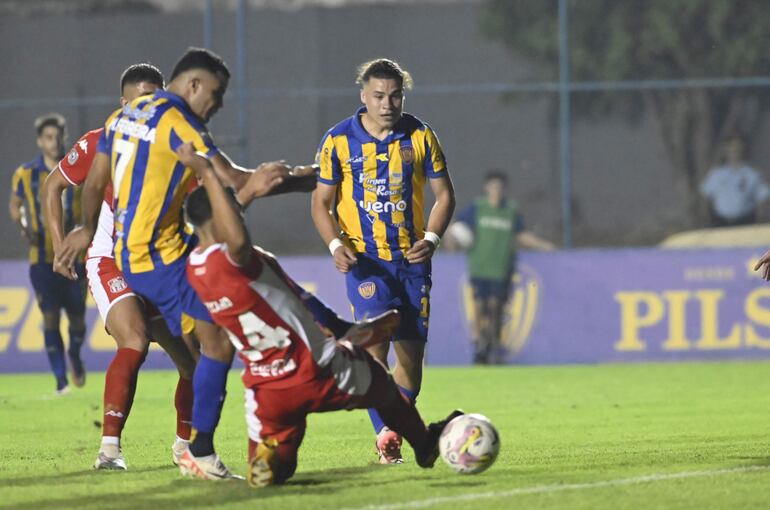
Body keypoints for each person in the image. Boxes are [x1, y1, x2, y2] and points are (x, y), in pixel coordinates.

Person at [58, 47, 321, 479]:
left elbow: (95, 179)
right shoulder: (181, 124)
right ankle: (199, 452)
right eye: (215, 95)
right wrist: (309, 180)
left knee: (201, 353)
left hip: (139, 254)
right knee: (216, 344)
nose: (217, 106)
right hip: (159, 261)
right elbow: (235, 182)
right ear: (194, 85)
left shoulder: (124, 116)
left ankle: (191, 447)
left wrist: (86, 227)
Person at [179, 142, 461, 486]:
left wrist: (355, 328)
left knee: (278, 467)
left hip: (264, 391)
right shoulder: (241, 258)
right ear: (220, 217)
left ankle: (269, 464)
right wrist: (207, 171)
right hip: (313, 369)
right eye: (230, 208)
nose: (238, 212)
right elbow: (237, 240)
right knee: (383, 384)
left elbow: (302, 302)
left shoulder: (194, 269)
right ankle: (424, 445)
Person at [41, 63, 199, 470]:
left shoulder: (177, 145)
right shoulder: (100, 143)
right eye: (139, 100)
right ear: (122, 103)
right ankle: (109, 451)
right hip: (111, 262)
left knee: (197, 360)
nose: (148, 107)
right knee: (135, 339)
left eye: (155, 99)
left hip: (161, 265)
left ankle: (186, 446)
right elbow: (53, 185)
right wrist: (61, 244)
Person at [310, 58, 455, 464]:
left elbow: (446, 196)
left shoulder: (421, 135)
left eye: (395, 95)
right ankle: (387, 437)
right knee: (375, 349)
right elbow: (320, 203)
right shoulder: (338, 140)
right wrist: (336, 246)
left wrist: (431, 238)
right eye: (378, 96)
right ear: (363, 96)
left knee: (411, 362)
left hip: (412, 262)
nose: (387, 103)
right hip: (366, 262)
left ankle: (391, 428)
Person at [8, 114, 87, 395]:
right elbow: (15, 206)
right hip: (41, 260)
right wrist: (24, 225)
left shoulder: (79, 167)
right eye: (49, 137)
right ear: (40, 141)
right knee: (50, 317)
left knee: (78, 319)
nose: (54, 142)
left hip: (76, 257)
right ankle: (61, 381)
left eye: (58, 136)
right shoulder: (26, 173)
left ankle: (75, 355)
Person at [446, 171, 554, 365]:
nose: (496, 191)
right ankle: (479, 345)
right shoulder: (478, 208)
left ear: (504, 190)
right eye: (493, 187)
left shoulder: (510, 210)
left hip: (500, 267)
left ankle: (494, 345)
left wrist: (544, 246)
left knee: (496, 306)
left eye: (499, 187)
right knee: (479, 307)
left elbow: (520, 234)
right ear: (487, 188)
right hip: (479, 267)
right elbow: (457, 227)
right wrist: (450, 239)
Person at [700, 136, 770, 227]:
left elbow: (762, 199)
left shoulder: (752, 174)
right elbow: (706, 197)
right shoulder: (716, 174)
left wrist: (760, 221)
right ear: (725, 150)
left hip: (745, 222)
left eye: (737, 148)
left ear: (743, 150)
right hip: (720, 222)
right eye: (731, 148)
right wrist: (705, 220)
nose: (734, 152)